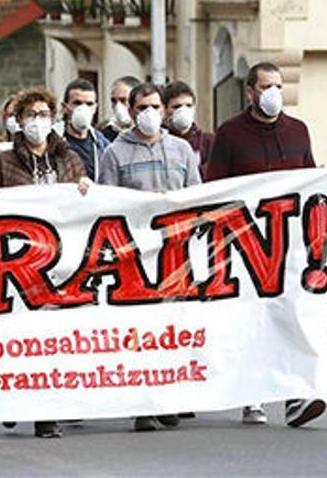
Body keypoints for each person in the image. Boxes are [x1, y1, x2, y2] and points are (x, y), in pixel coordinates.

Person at [205, 62, 327, 428]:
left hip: (291, 246)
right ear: (250, 92)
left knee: (293, 317)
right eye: (266, 87)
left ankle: (297, 396)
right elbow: (215, 187)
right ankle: (253, 397)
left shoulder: (298, 131)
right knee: (252, 320)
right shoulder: (231, 133)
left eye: (278, 86)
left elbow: (309, 177)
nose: (274, 94)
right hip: (246, 246)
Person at [0, 88, 91, 440]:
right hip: (17, 265)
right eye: (31, 115)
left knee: (52, 341)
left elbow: (84, 206)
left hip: (61, 263)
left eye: (44, 114)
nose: (37, 121)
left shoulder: (69, 159)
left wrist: (86, 187)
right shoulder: (3, 163)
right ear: (19, 121)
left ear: (54, 118)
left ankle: (47, 414)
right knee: (20, 341)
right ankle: (17, 400)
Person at [96, 82, 200, 431]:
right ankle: (143, 405)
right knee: (141, 333)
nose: (150, 114)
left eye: (156, 107)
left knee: (172, 331)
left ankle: (168, 398)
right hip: (135, 257)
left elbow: (197, 198)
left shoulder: (183, 150)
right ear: (132, 110)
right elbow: (106, 205)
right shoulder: (115, 154)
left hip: (176, 254)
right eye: (142, 108)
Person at [59, 79, 111, 180]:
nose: (83, 109)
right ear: (64, 107)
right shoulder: (52, 141)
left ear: (95, 108)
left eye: (89, 104)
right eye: (77, 103)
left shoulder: (103, 145)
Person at [161, 80, 214, 170]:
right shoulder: (158, 142)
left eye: (188, 105)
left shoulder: (208, 142)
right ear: (165, 110)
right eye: (176, 107)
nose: (183, 111)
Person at [100, 75, 140, 142]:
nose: (118, 106)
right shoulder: (103, 136)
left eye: (123, 100)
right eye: (114, 101)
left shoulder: (149, 134)